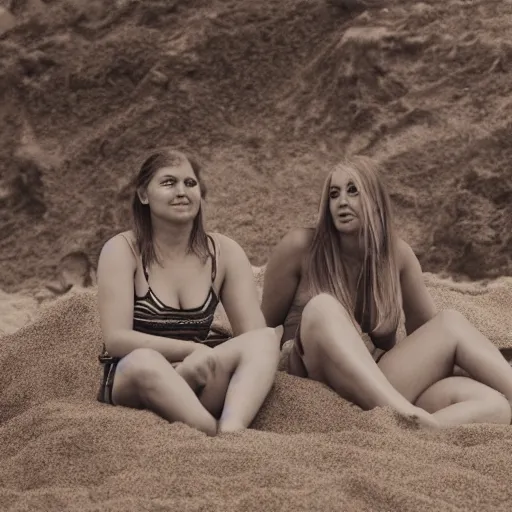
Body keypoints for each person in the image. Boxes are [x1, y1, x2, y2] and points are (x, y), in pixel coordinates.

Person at [262, 155, 512, 427]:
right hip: (317, 383)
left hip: (377, 388)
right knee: (323, 307)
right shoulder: (300, 247)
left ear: (376, 200)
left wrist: (477, 365)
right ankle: (404, 416)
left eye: (353, 190)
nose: (342, 201)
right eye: (334, 194)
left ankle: (421, 429)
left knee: (493, 403)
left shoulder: (397, 255)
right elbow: (259, 329)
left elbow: (427, 335)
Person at [96, 148, 282, 436]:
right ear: (144, 195)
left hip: (197, 374)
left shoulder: (224, 252)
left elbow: (252, 336)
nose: (182, 191)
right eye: (169, 183)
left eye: (190, 183)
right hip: (136, 378)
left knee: (266, 339)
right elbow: (117, 340)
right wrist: (194, 348)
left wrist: (208, 359)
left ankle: (233, 430)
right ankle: (209, 430)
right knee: (146, 361)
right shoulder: (122, 250)